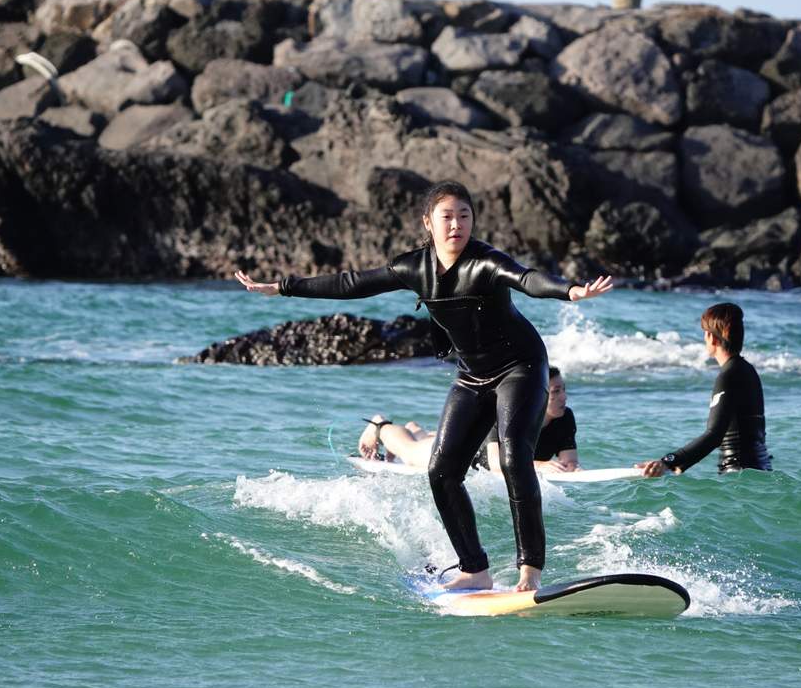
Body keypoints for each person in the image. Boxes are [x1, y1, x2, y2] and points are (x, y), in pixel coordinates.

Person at [236, 181, 613, 591]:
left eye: (464, 216)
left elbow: (527, 279)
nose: (457, 225)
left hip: (521, 367)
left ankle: (530, 571)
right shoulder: (414, 267)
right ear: (428, 223)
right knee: (441, 471)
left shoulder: (485, 262)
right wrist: (284, 287)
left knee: (513, 459)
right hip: (471, 375)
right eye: (447, 217)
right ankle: (475, 569)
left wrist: (570, 291)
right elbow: (351, 283)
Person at [357, 366, 581, 473]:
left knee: (423, 441)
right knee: (411, 452)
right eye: (555, 392)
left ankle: (416, 429)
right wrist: (540, 466)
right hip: (466, 456)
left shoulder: (564, 417)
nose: (564, 397)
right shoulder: (507, 414)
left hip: (473, 441)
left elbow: (569, 459)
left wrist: (571, 468)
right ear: (538, 394)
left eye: (563, 389)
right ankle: (379, 426)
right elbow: (494, 463)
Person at [636, 302, 772, 477]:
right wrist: (678, 467)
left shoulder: (728, 375)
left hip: (739, 476)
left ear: (712, 338)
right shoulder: (747, 369)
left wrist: (667, 461)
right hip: (760, 471)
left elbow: (714, 435)